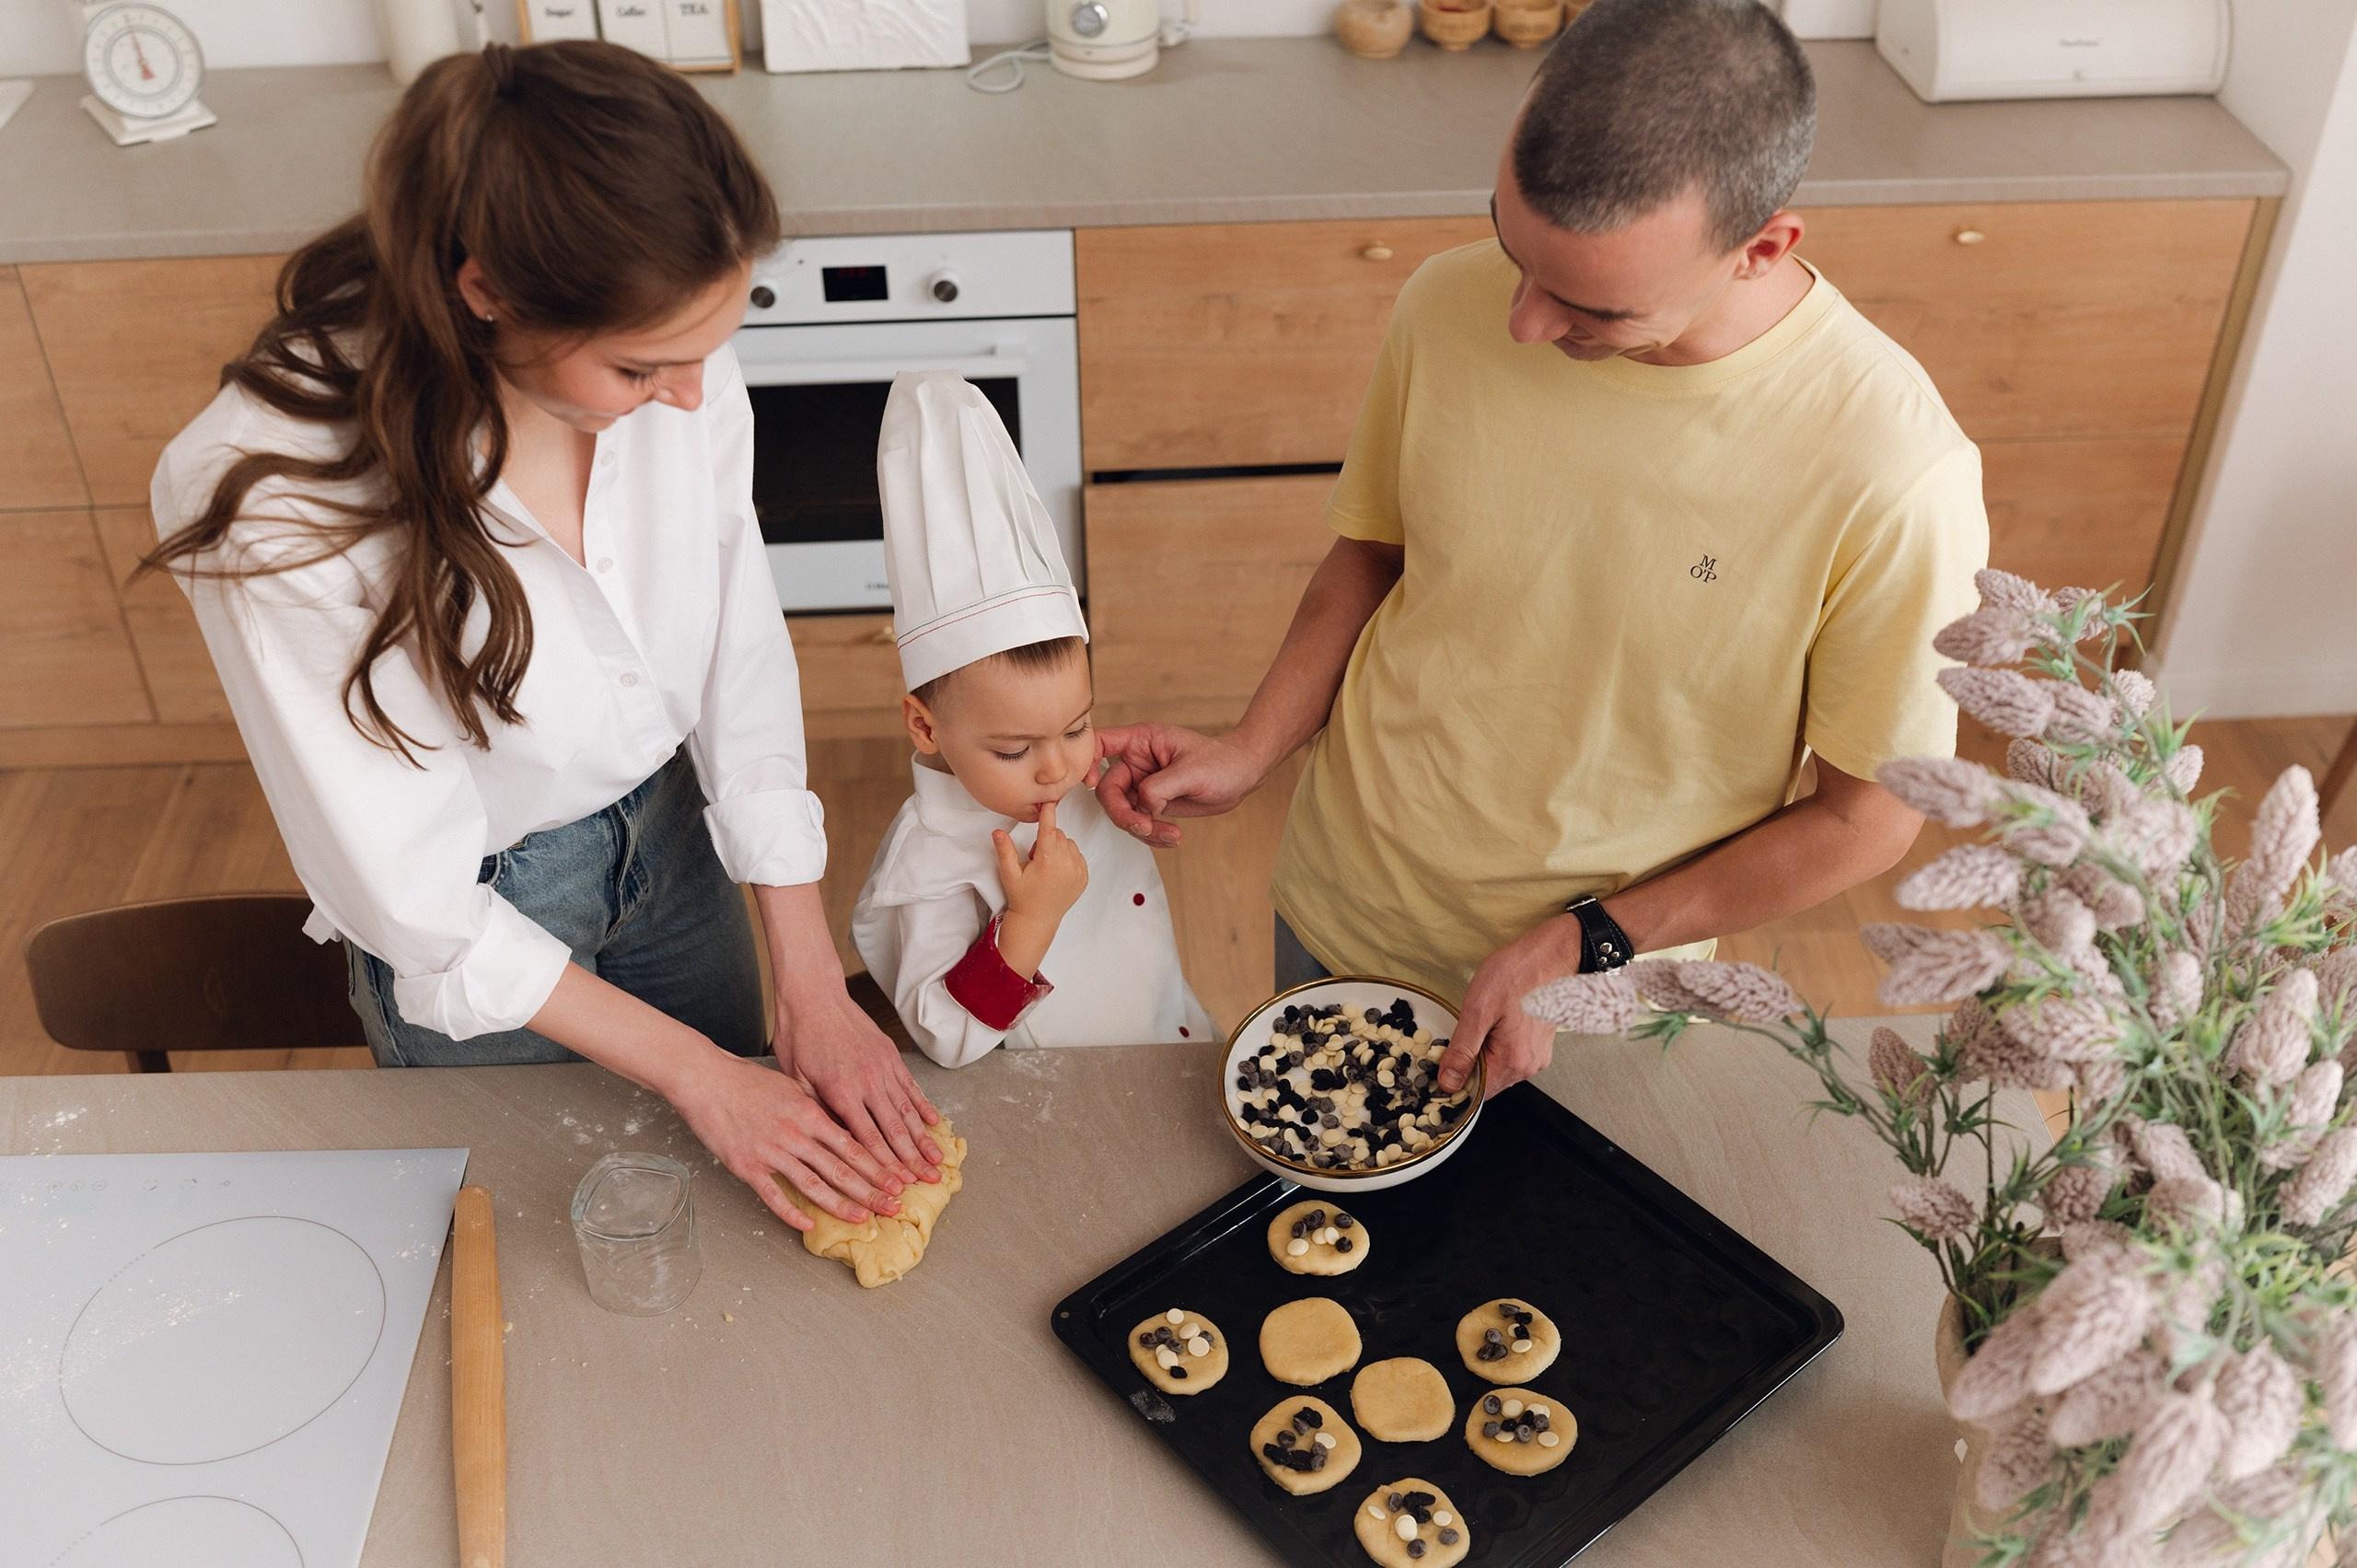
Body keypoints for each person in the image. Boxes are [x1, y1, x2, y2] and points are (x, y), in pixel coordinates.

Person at [1095, 0, 1987, 1098]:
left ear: (1762, 247)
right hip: (1342, 905)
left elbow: (1865, 820)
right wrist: (1252, 743)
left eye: (1591, 307)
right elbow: (1374, 556)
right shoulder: (1443, 301)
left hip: (1593, 1001)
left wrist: (1589, 938)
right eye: (1512, 250)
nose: (1518, 320)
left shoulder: (1892, 470)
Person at [145, 41, 941, 1235]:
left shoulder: (669, 348)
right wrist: (700, 1074)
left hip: (676, 839)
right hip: (484, 907)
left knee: (743, 1217)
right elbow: (415, 898)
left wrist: (811, 973)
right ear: (484, 289)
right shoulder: (278, 497)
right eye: (639, 366)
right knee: (541, 1244)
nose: (692, 393)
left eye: (706, 347)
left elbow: (733, 639)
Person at [852, 375, 1215, 1065]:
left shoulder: (1079, 779)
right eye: (1016, 749)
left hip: (1166, 1035)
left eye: (1077, 727)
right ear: (925, 727)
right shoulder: (926, 865)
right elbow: (945, 1036)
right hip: (1058, 1096)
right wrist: (1030, 919)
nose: (1060, 767)